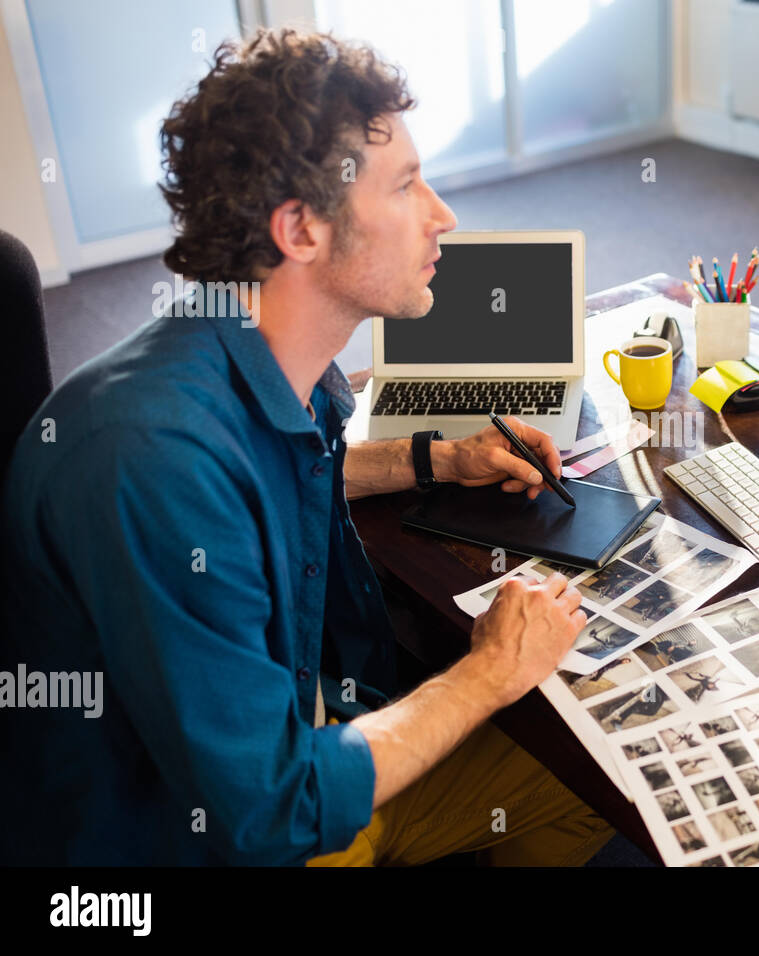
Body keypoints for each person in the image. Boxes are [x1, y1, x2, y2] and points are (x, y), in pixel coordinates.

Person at [0, 29, 612, 866]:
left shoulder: (256, 358)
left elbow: (270, 476)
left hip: (301, 740)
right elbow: (272, 809)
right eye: (406, 187)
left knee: (594, 776)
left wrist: (434, 458)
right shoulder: (149, 457)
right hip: (192, 841)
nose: (443, 214)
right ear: (300, 229)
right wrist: (489, 671)